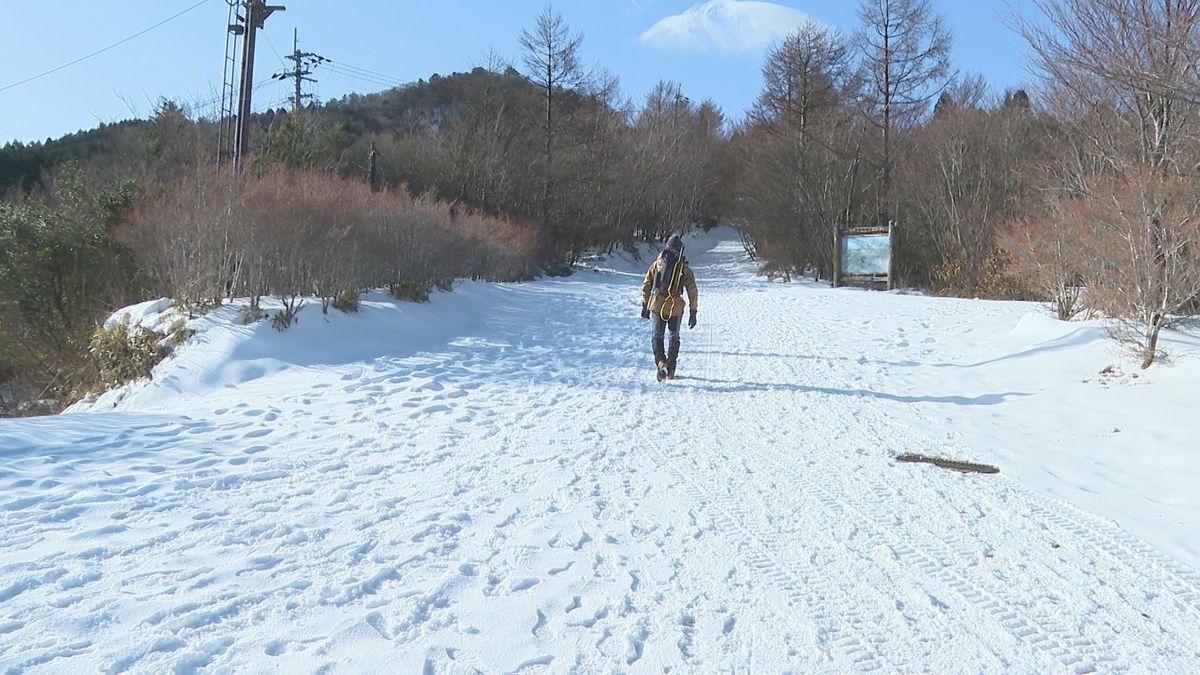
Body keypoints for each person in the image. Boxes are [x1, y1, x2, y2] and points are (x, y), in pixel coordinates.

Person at [641, 234, 698, 381]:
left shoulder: (657, 264)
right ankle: (671, 371)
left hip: (657, 305)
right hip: (675, 307)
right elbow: (692, 290)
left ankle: (661, 363)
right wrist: (693, 311)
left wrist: (645, 304)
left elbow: (646, 285)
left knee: (657, 336)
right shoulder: (684, 268)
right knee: (674, 337)